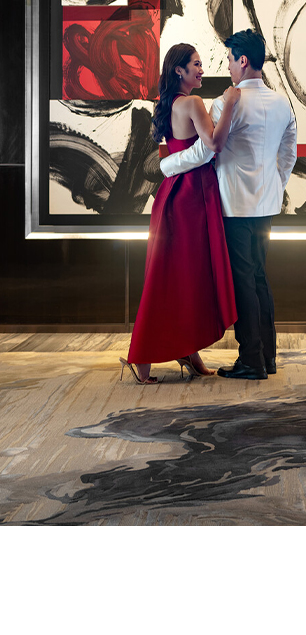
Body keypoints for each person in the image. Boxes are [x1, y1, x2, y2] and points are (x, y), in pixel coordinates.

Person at [158, 28, 298, 380]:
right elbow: (289, 155)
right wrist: (274, 187)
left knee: (243, 281)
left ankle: (251, 360)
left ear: (243, 61)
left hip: (234, 204)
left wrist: (167, 164)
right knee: (260, 277)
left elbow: (205, 151)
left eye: (230, 61)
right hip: (266, 205)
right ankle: (267, 357)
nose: (228, 68)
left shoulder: (225, 103)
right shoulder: (282, 103)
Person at [120, 43, 239, 384]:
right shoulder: (193, 102)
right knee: (185, 276)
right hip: (192, 195)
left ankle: (186, 350)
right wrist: (230, 105)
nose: (202, 70)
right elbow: (214, 144)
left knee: (175, 276)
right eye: (196, 65)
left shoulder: (169, 103)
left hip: (173, 193)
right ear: (179, 70)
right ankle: (142, 356)